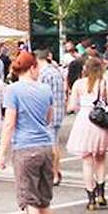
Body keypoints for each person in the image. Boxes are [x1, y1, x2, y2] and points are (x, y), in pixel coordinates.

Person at [0, 52, 56, 214]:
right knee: (44, 201)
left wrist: (2, 154)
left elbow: (10, 123)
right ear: (31, 68)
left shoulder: (12, 91)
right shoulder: (45, 89)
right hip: (45, 146)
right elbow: (49, 117)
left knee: (29, 203)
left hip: (25, 148)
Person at [65, 56, 108, 211]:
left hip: (84, 121)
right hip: (100, 123)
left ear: (85, 69)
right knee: (101, 159)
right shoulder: (104, 82)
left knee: (87, 161)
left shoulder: (78, 84)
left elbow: (71, 106)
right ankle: (101, 194)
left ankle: (91, 199)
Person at [36, 49, 67, 186]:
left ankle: (53, 174)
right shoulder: (56, 71)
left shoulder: (45, 74)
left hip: (48, 113)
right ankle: (56, 171)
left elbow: (42, 95)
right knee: (54, 143)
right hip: (59, 111)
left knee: (51, 145)